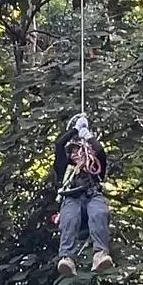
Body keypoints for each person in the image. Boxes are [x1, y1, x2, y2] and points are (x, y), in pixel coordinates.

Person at [54, 112, 113, 276]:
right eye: (71, 151)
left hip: (92, 195)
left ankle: (100, 254)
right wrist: (75, 129)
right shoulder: (64, 168)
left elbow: (100, 151)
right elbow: (59, 144)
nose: (74, 153)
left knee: (99, 213)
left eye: (77, 150)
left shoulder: (94, 169)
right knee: (69, 218)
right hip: (71, 198)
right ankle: (67, 258)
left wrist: (87, 135)